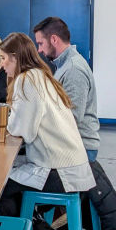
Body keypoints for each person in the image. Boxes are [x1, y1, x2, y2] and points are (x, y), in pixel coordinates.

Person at [0, 32, 96, 217]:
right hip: (71, 168)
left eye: (3, 58)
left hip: (59, 173)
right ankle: (33, 227)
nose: (1, 64)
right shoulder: (40, 75)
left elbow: (21, 130)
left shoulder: (26, 79)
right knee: (9, 178)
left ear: (15, 57)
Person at [33, 17, 100, 162]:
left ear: (54, 39)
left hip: (80, 148)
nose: (39, 50)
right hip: (70, 143)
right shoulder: (63, 65)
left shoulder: (73, 69)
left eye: (40, 43)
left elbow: (72, 118)